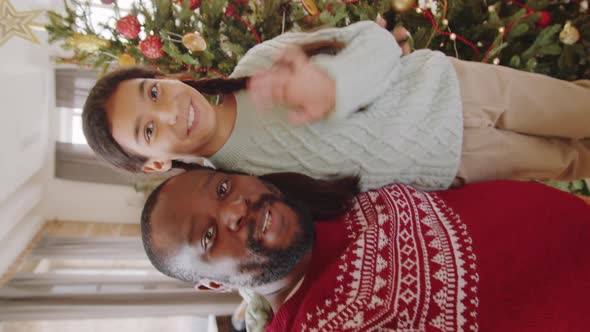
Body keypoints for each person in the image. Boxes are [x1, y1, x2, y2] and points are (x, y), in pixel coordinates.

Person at [83, 20, 590, 191]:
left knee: (579, 110)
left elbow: (377, 41)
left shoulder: (260, 62)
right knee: (571, 161)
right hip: (454, 164)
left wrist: (334, 86)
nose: (170, 110)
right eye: (149, 131)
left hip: (458, 90)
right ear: (154, 162)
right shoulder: (247, 187)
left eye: (153, 92)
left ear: (163, 76)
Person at [140, 167, 590, 331]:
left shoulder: (326, 205)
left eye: (222, 187)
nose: (235, 208)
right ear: (215, 282)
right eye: (208, 236)